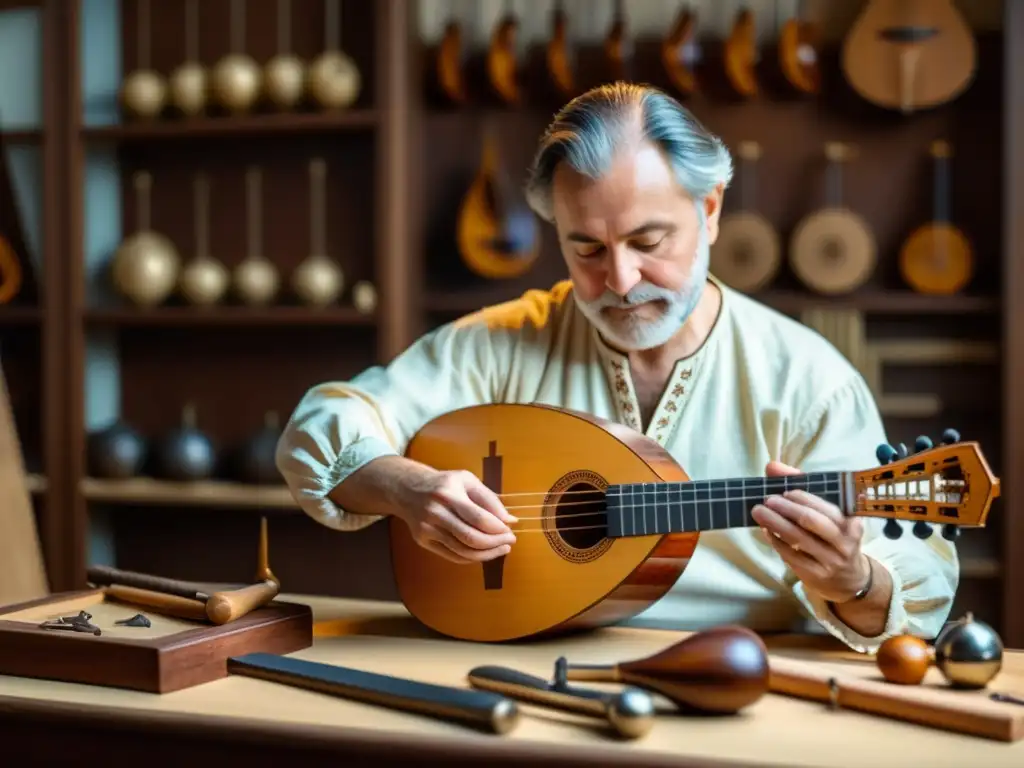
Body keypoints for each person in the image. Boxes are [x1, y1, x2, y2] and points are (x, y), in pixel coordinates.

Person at [275, 82, 958, 654]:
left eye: (647, 240)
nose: (622, 279)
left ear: (711, 209)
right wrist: (405, 487)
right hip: (522, 665)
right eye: (586, 249)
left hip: (743, 682)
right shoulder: (502, 343)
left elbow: (913, 593)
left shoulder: (807, 380)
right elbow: (320, 424)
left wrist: (853, 581)